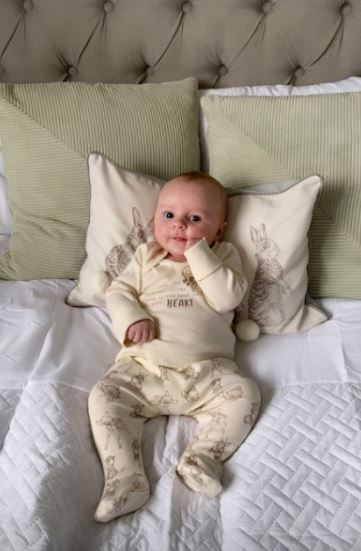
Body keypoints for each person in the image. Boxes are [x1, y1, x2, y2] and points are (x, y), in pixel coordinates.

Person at [88, 171, 261, 522]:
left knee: (246, 393)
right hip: (144, 369)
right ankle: (125, 478)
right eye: (168, 216)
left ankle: (202, 457)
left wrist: (199, 252)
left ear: (219, 229)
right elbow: (118, 292)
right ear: (154, 220)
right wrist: (132, 319)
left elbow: (227, 298)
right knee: (104, 395)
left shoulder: (225, 255)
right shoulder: (145, 256)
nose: (179, 225)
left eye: (194, 218)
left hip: (208, 372)